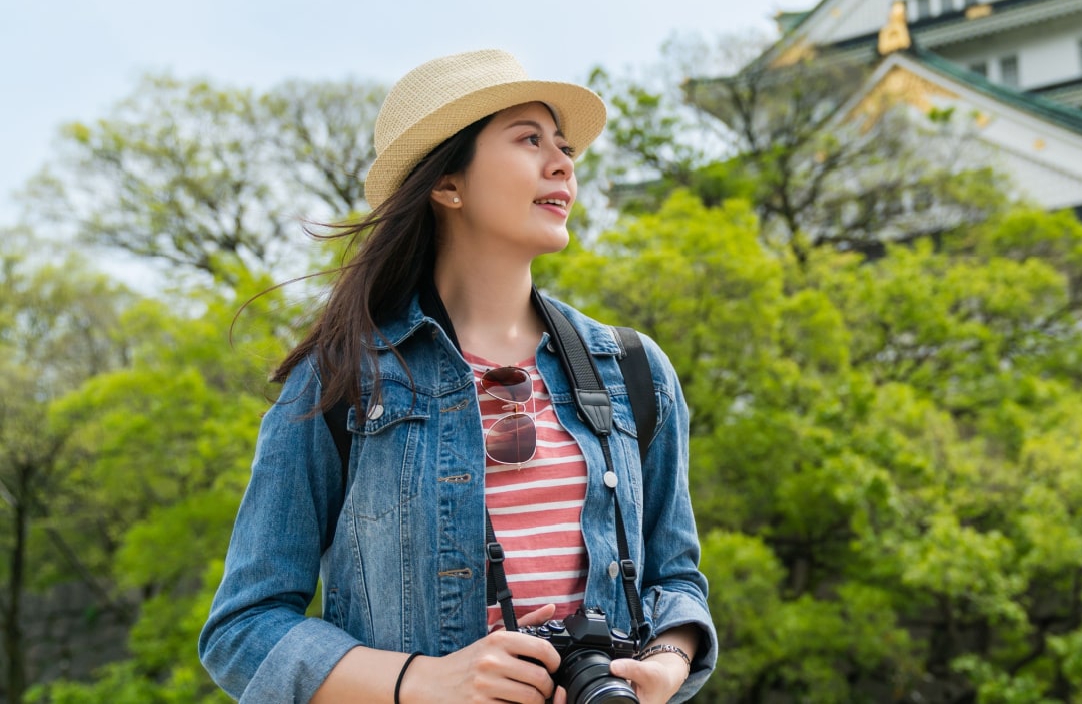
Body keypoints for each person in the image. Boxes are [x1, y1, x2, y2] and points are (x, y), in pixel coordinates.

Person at [199, 49, 715, 704]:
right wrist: (423, 681)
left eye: (564, 146)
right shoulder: (342, 381)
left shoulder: (636, 371)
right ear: (448, 183)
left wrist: (666, 661)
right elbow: (243, 629)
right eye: (529, 139)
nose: (563, 162)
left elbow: (675, 579)